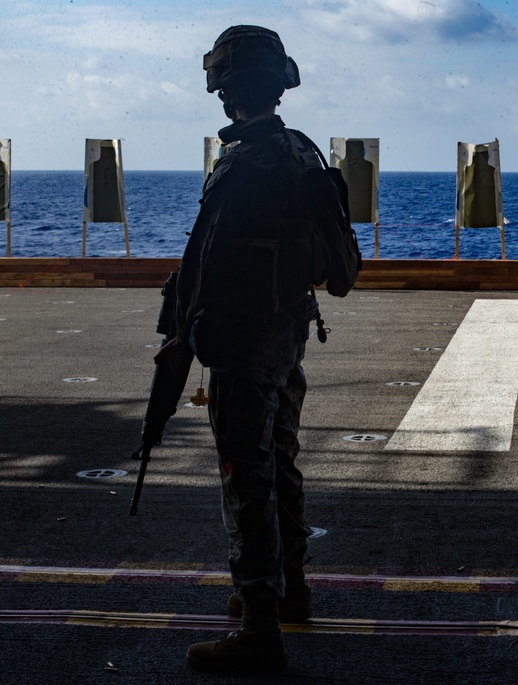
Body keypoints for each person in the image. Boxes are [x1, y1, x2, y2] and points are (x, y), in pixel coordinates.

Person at [172, 25, 326, 674]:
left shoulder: (240, 163)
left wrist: (189, 329)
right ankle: (291, 587)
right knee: (280, 459)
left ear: (229, 91)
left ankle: (260, 626)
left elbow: (207, 261)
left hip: (243, 341)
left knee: (245, 474)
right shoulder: (301, 151)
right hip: (287, 332)